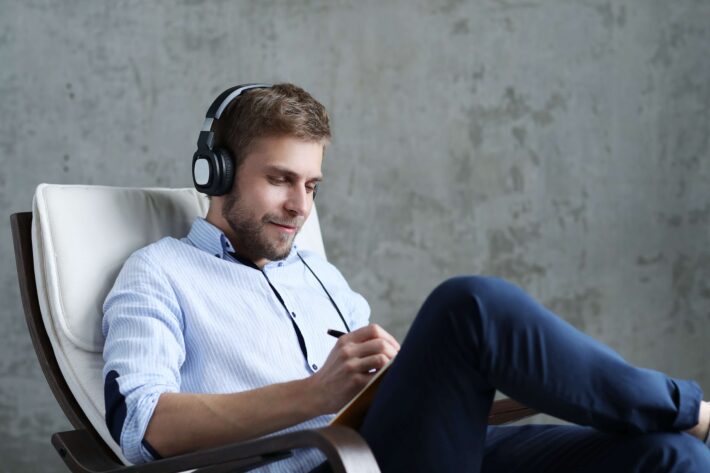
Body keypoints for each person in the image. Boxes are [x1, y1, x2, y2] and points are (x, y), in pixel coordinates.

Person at [102, 83, 710, 472]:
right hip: (330, 467)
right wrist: (319, 392)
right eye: (281, 179)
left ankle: (674, 420)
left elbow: (387, 406)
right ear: (218, 172)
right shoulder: (158, 274)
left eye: (311, 186)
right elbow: (144, 429)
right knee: (468, 305)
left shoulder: (317, 272)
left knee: (668, 457)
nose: (300, 206)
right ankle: (687, 406)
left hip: (393, 451)